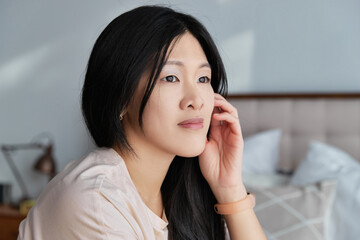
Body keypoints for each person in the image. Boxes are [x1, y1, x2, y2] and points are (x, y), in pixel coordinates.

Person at [18, 5, 267, 240]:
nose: (196, 101)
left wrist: (230, 187)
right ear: (121, 98)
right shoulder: (97, 202)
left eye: (203, 78)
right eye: (171, 77)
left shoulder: (180, 194)